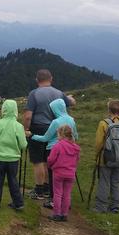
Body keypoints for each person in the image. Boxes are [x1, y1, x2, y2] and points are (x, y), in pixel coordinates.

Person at [22, 69, 75, 201]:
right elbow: (70, 103)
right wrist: (70, 98)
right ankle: (47, 188)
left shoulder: (34, 94)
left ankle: (39, 190)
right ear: (51, 78)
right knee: (48, 160)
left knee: (38, 160)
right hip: (56, 130)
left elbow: (28, 115)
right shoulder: (58, 93)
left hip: (38, 128)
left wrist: (26, 129)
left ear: (37, 80)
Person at [28, 98, 79, 208]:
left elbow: (45, 138)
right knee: (65, 177)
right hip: (69, 151)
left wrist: (32, 136)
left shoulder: (55, 122)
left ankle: (53, 200)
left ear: (55, 109)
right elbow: (76, 136)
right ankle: (65, 201)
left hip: (53, 149)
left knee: (54, 176)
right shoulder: (71, 120)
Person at [93, 99, 119, 213]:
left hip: (106, 159)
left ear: (109, 110)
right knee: (117, 182)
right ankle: (115, 206)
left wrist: (97, 155)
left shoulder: (103, 123)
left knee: (104, 181)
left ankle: (101, 207)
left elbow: (98, 143)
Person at [0, 99, 28, 210]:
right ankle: (18, 203)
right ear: (15, 111)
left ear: (3, 110)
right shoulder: (18, 126)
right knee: (13, 180)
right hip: (13, 159)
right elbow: (23, 145)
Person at [45, 125, 80, 221]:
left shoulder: (58, 146)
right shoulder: (76, 147)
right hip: (70, 173)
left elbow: (51, 159)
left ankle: (57, 213)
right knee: (67, 194)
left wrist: (49, 164)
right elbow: (77, 159)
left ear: (61, 134)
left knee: (58, 193)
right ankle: (64, 214)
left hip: (58, 172)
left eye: (58, 134)